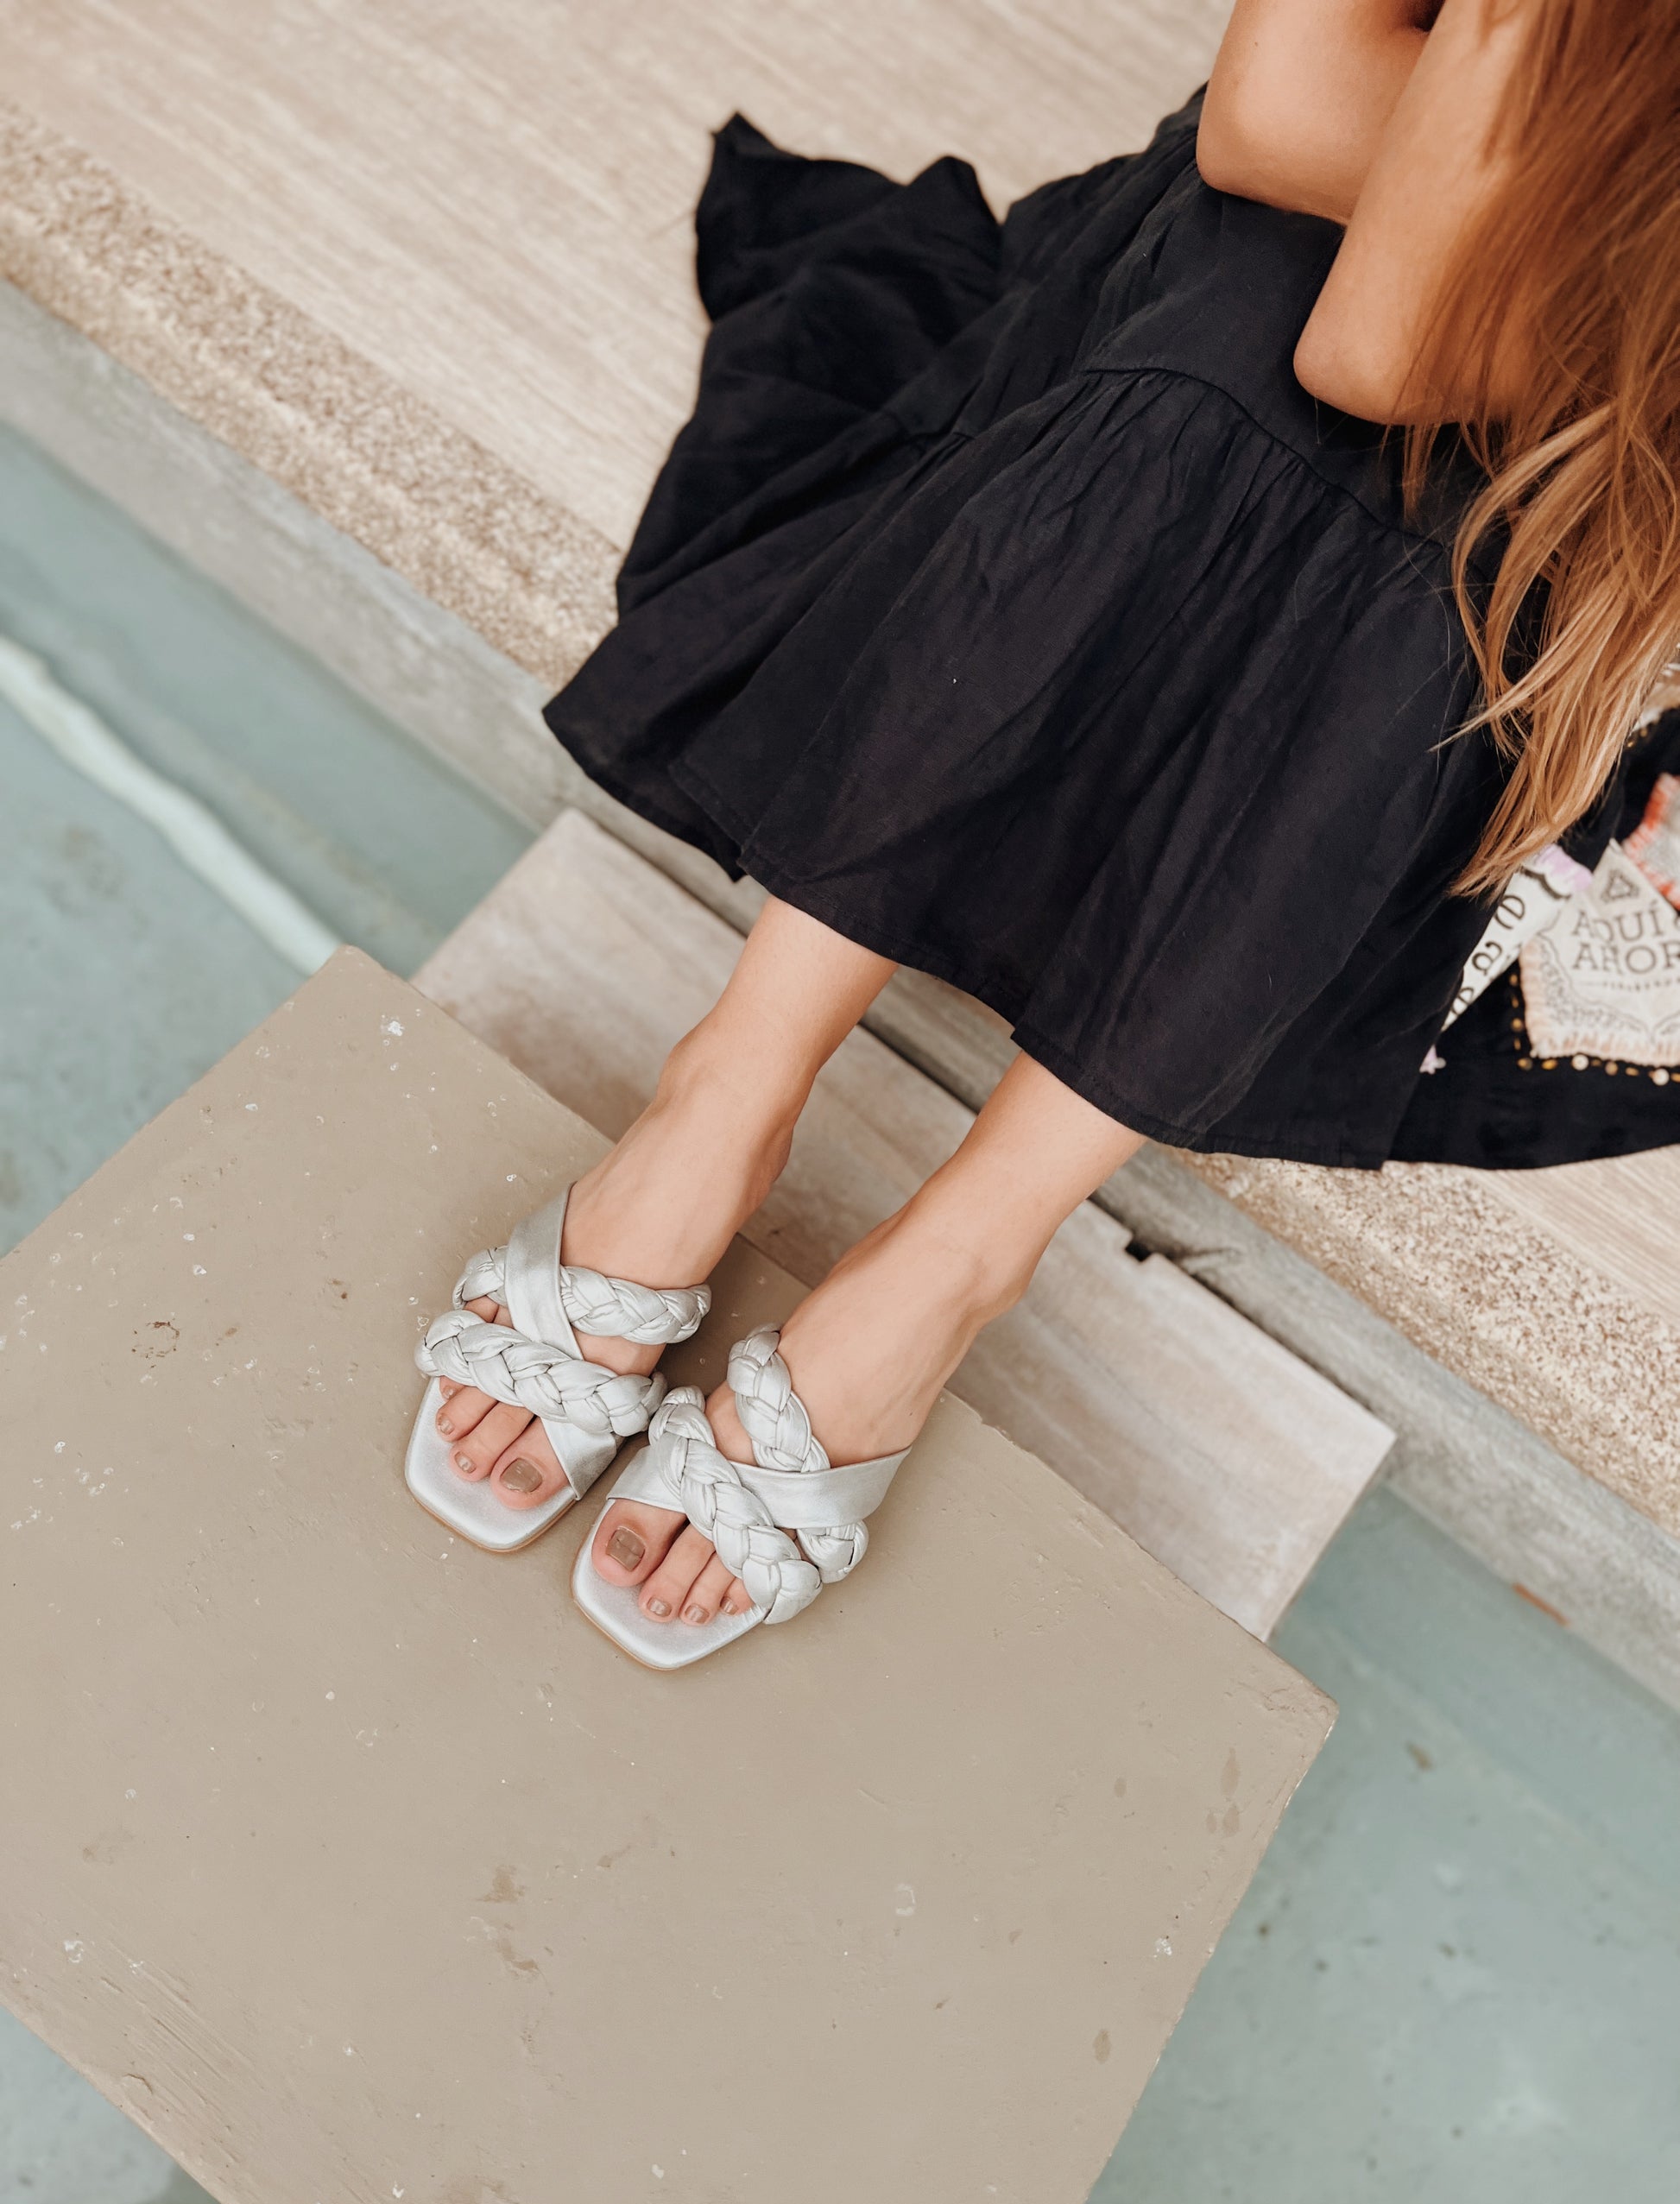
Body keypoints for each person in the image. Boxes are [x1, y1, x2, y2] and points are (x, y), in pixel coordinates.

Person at [420, 0, 1680, 1651]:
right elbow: (1306, 180)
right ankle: (726, 1089)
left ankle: (960, 1254)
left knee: (1496, 553)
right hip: (1350, 249)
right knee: (1244, 338)